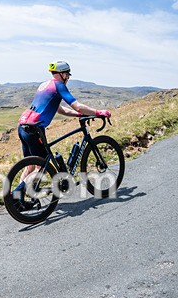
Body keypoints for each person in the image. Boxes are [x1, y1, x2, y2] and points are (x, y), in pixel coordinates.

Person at [14, 61, 111, 203]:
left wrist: (78, 115)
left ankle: (17, 199)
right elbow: (77, 106)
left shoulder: (45, 85)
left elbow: (61, 109)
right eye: (67, 74)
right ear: (62, 74)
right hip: (35, 129)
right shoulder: (59, 86)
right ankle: (18, 193)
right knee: (41, 166)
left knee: (30, 165)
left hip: (23, 126)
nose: (68, 78)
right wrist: (98, 112)